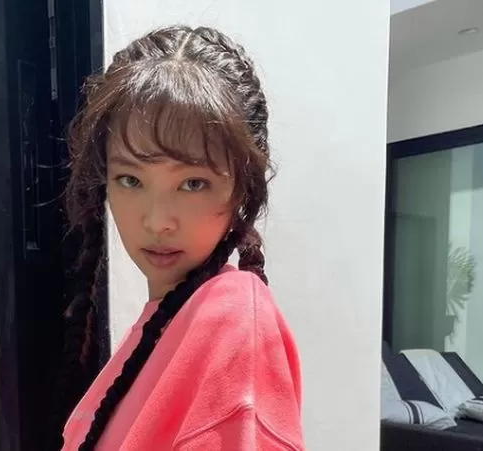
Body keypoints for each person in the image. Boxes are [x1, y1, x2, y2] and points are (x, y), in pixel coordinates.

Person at [58, 24, 304, 451]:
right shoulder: (164, 320)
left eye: (193, 183)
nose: (157, 221)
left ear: (241, 189)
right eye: (131, 179)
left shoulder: (230, 320)